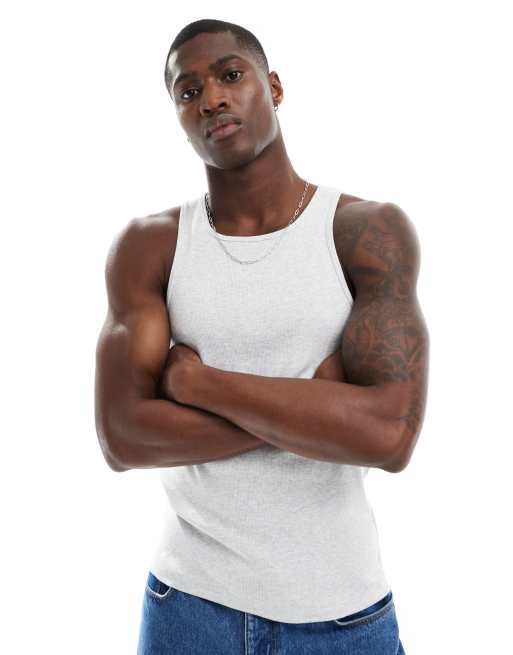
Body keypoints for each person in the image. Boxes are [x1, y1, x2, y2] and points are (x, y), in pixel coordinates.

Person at [94, 18, 429, 655]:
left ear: (273, 87)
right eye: (188, 91)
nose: (211, 99)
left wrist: (197, 383)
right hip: (187, 607)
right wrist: (318, 406)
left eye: (230, 75)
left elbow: (390, 435)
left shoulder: (365, 231)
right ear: (178, 116)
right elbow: (122, 437)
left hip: (339, 613)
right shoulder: (151, 246)